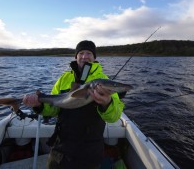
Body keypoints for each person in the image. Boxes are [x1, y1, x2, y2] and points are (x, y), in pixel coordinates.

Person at [23, 40, 125, 169]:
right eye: (81, 53)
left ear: (94, 58)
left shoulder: (103, 81)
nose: (84, 56)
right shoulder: (64, 78)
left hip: (90, 150)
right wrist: (39, 105)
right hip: (61, 148)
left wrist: (107, 103)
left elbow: (114, 117)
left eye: (89, 53)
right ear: (76, 56)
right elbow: (53, 109)